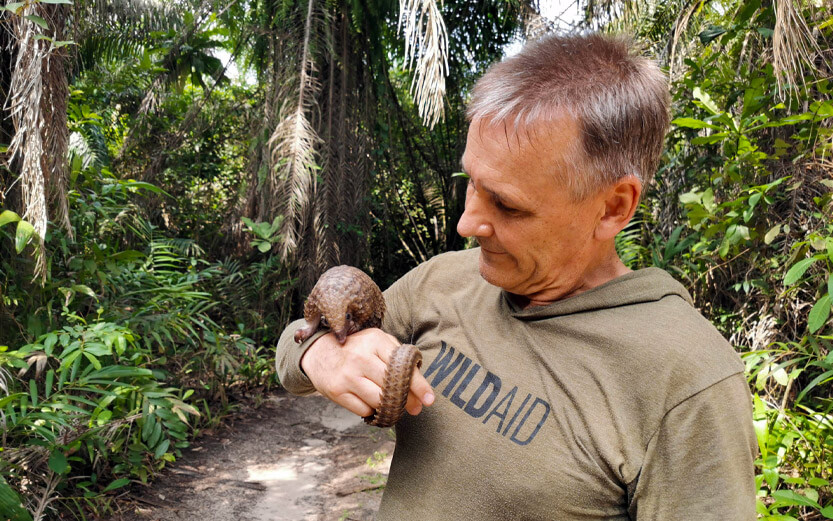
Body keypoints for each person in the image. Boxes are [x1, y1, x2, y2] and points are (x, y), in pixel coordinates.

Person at [276, 33, 757, 520]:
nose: (467, 224)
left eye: (507, 204)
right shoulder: (444, 281)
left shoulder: (687, 382)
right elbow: (292, 348)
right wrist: (321, 355)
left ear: (613, 207)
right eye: (471, 184)